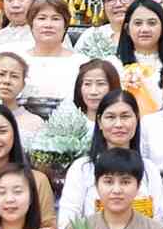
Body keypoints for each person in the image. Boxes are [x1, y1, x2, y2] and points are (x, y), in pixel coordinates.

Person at [61, 89, 150, 221]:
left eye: (125, 116)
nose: (119, 124)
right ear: (99, 122)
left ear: (137, 119)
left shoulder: (149, 169)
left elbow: (158, 221)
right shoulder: (82, 169)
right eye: (110, 117)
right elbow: (68, 221)